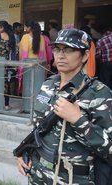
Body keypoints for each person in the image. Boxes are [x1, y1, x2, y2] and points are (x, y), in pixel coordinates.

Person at [16, 29, 112, 184]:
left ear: (85, 55)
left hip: (73, 178)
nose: (60, 55)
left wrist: (78, 120)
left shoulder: (99, 94)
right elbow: (39, 128)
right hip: (38, 174)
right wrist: (25, 151)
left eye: (69, 50)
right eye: (57, 49)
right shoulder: (48, 84)